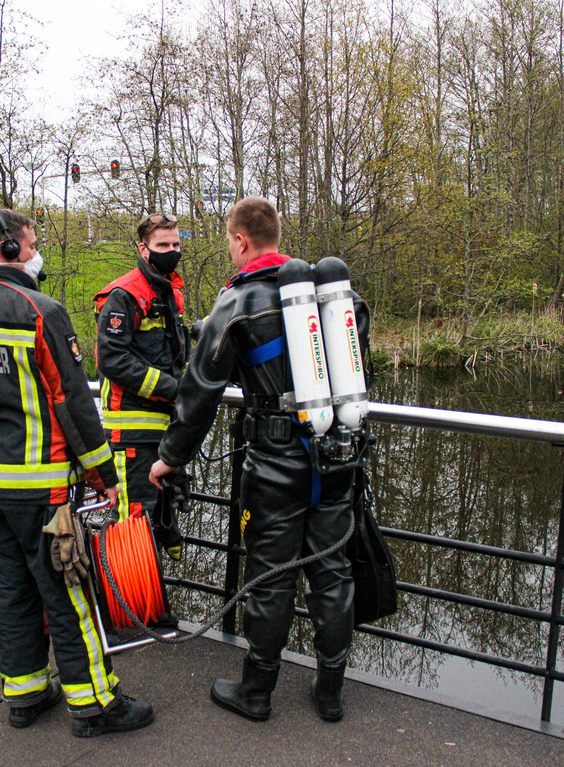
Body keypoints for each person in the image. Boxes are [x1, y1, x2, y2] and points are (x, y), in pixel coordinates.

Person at [0, 209, 154, 737]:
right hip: (42, 492)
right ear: (9, 250)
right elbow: (72, 400)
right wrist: (104, 477)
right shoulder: (39, 311)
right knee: (69, 594)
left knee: (10, 592)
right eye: (33, 243)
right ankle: (94, 706)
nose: (36, 250)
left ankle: (23, 696)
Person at [150, 196, 370, 723]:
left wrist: (169, 459)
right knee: (333, 572)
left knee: (269, 577)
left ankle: (257, 692)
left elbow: (199, 392)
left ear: (241, 241)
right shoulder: (336, 297)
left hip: (275, 461)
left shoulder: (238, 303)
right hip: (337, 456)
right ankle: (330, 692)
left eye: (229, 242)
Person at [93, 213, 190, 559]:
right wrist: (173, 388)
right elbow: (112, 360)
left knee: (164, 520)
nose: (172, 250)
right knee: (131, 528)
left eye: (176, 244)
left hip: (165, 432)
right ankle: (128, 611)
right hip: (131, 435)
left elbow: (173, 356)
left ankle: (156, 608)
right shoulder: (125, 295)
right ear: (143, 248)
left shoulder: (171, 292)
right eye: (163, 245)